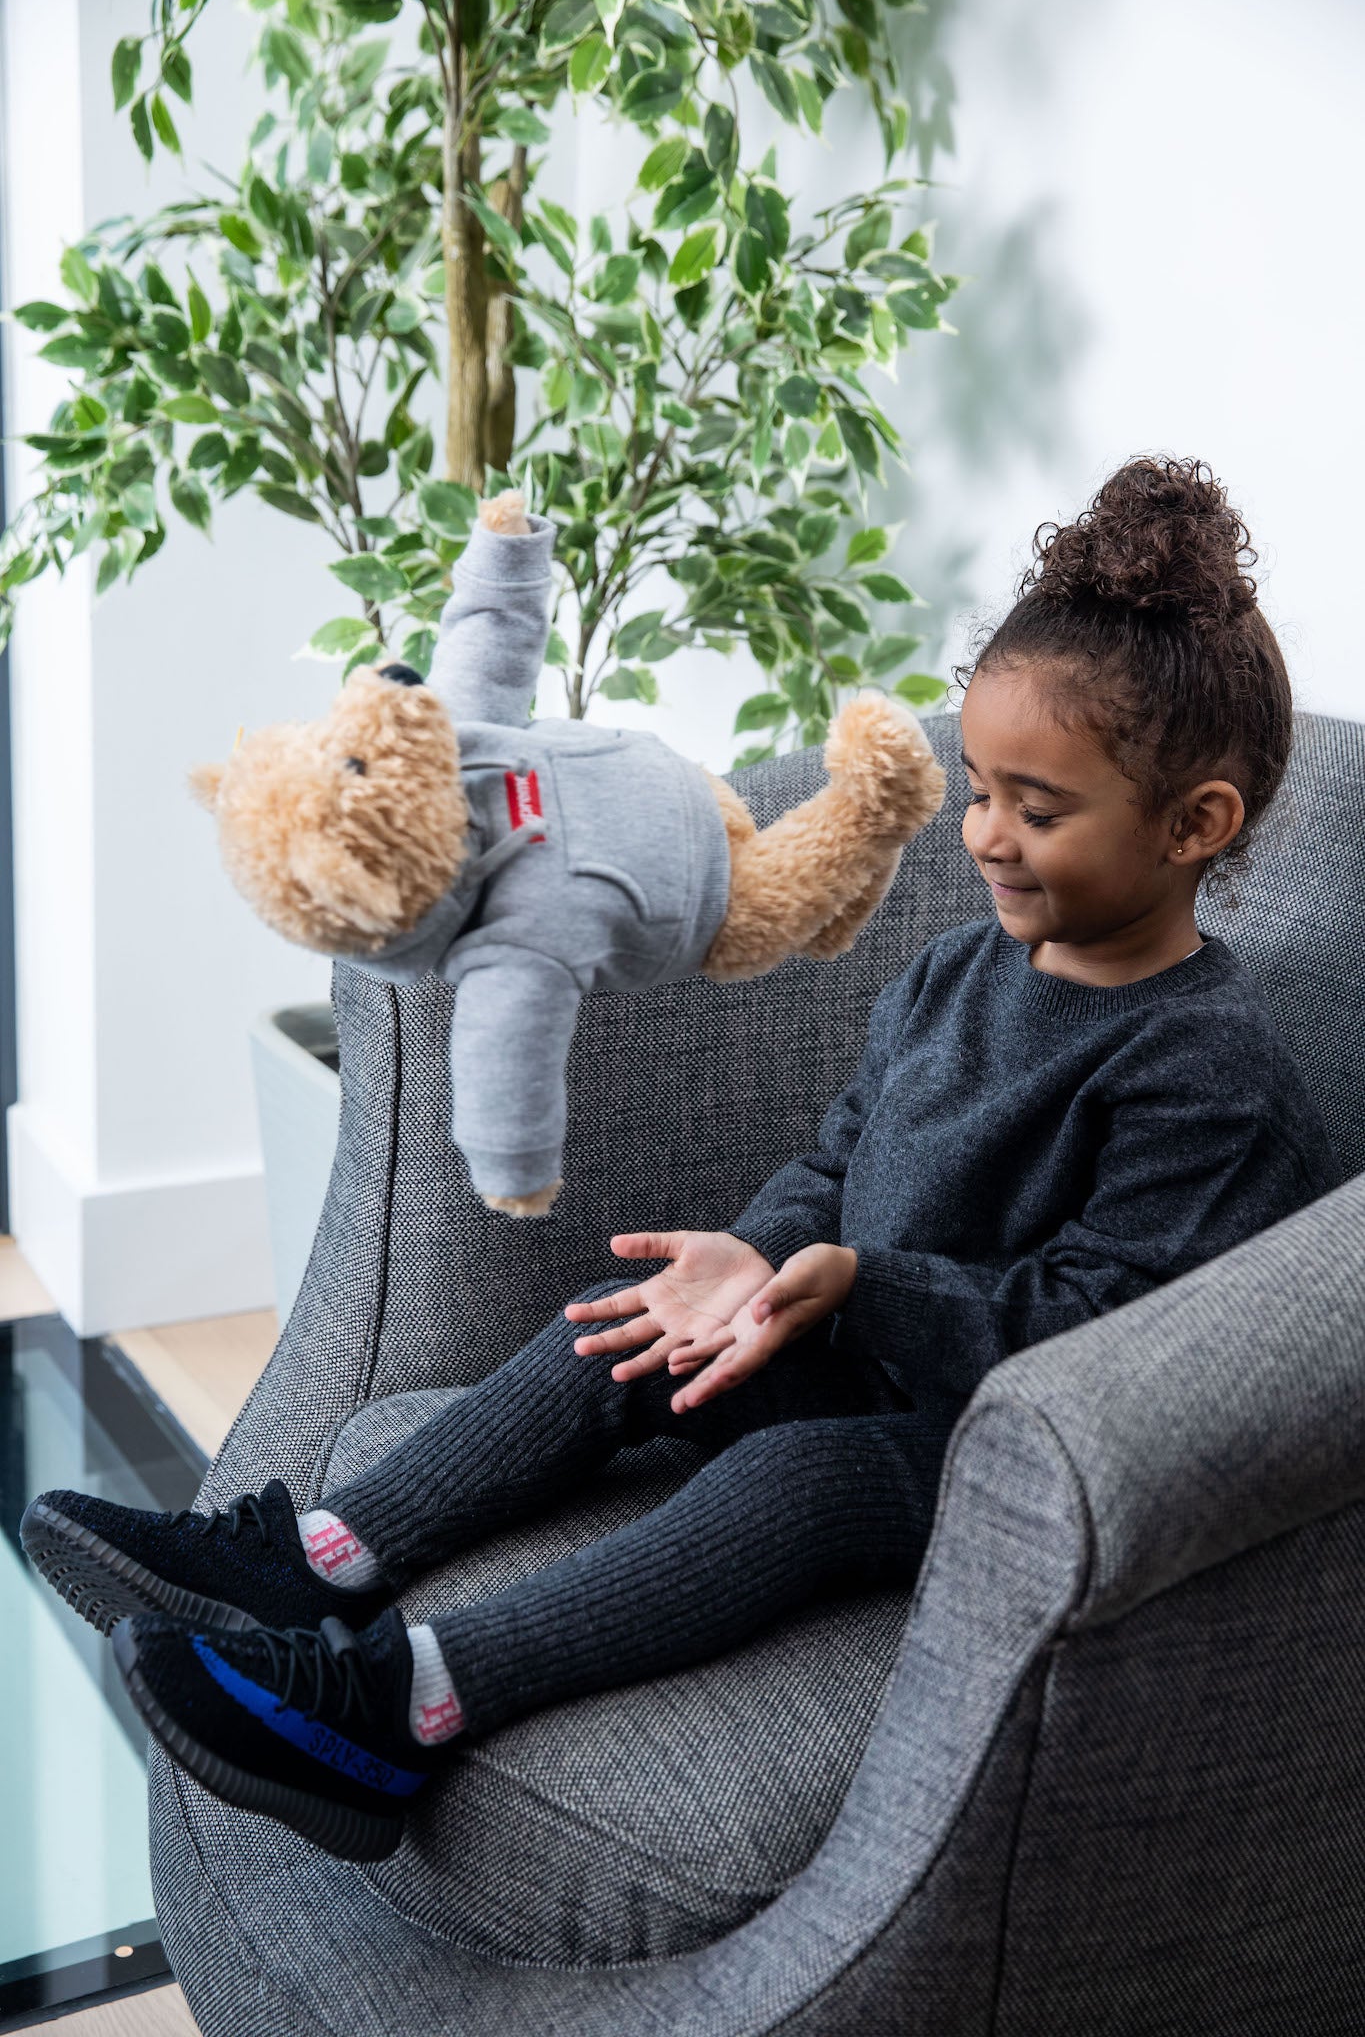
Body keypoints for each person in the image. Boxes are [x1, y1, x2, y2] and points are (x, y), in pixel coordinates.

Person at [22, 457, 1338, 1864]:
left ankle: (391, 1712)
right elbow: (840, 1157)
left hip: (999, 1445)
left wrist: (858, 1288)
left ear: (1193, 825)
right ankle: (309, 1566)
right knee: (625, 1323)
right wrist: (757, 1263)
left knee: (800, 1487)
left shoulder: (1205, 1074)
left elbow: (1107, 1335)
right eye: (973, 788)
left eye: (1036, 808)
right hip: (854, 1340)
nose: (981, 838)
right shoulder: (960, 972)